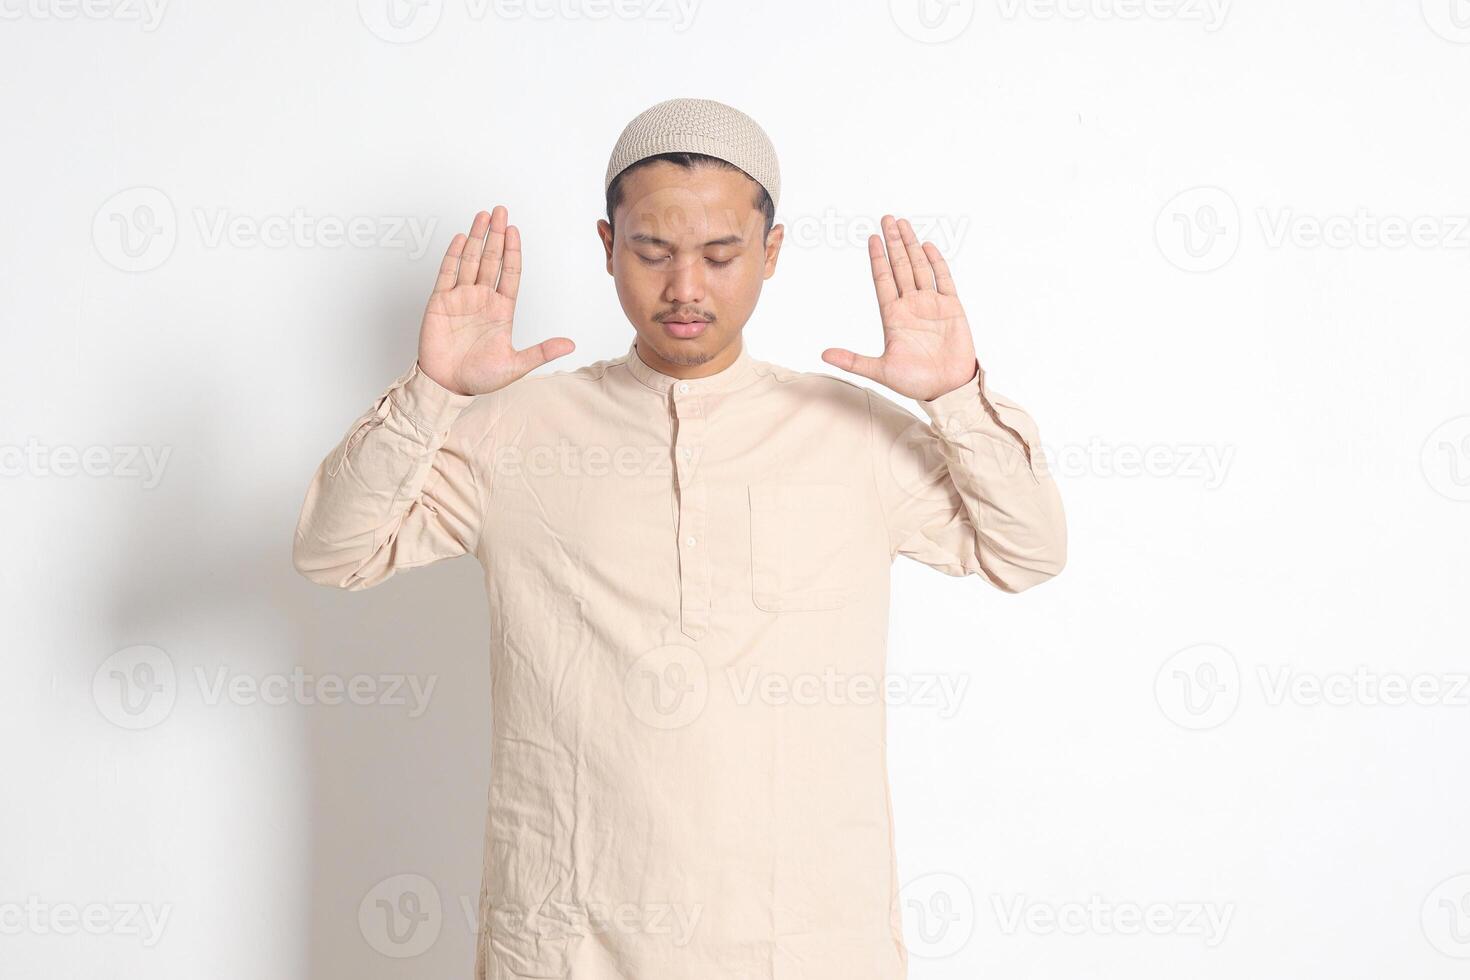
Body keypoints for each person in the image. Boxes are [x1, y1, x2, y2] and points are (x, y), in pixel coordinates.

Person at [292, 96, 1066, 980]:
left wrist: (955, 397)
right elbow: (332, 550)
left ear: (772, 254)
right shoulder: (513, 431)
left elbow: (1028, 549)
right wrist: (435, 393)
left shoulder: (852, 434)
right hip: (568, 944)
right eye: (653, 252)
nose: (686, 288)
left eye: (720, 254)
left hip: (807, 946)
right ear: (607, 245)